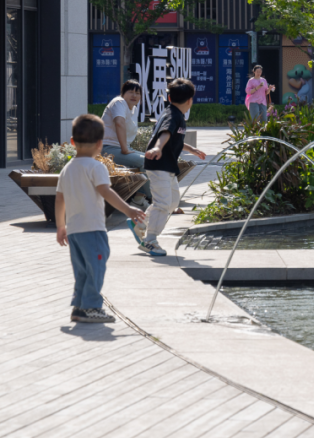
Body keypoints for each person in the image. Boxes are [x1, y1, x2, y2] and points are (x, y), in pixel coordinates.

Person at [55, 114, 147, 323]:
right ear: (100, 144)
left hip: (74, 231)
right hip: (93, 230)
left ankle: (79, 306)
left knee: (82, 270)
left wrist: (61, 226)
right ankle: (91, 307)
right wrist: (128, 210)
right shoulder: (96, 167)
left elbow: (60, 199)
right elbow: (107, 193)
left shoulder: (66, 169)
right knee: (96, 268)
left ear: (72, 142)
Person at [127, 78, 207, 257]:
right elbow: (165, 133)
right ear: (190, 100)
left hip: (166, 166)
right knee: (163, 203)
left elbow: (174, 137)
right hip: (159, 164)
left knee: (171, 202)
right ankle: (150, 240)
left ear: (170, 98)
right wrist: (157, 147)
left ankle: (139, 223)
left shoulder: (173, 113)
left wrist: (191, 149)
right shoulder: (172, 115)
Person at [101, 80, 151, 205]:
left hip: (120, 149)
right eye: (130, 92)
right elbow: (119, 123)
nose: (134, 95)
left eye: (137, 93)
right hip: (107, 149)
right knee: (146, 161)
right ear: (123, 93)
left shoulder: (133, 109)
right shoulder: (119, 102)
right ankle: (159, 201)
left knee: (152, 158)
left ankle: (139, 198)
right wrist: (125, 149)